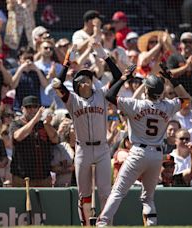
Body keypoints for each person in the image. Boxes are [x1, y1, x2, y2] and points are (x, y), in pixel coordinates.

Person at [96, 64, 191, 226]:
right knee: (148, 196)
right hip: (156, 156)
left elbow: (110, 95)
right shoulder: (167, 106)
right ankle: (152, 223)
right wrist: (172, 79)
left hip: (139, 152)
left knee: (118, 191)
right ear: (160, 92)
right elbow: (186, 99)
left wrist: (124, 78)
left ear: (146, 90)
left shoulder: (135, 105)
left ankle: (102, 223)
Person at [52, 43, 121, 225]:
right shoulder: (72, 100)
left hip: (102, 149)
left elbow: (119, 77)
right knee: (84, 194)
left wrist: (105, 57)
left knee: (106, 192)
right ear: (75, 84)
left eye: (89, 77)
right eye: (82, 78)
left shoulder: (103, 94)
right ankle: (86, 224)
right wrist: (67, 63)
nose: (86, 80)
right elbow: (57, 83)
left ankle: (106, 224)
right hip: (82, 149)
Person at [10, 96, 58, 187]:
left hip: (44, 176)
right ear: (22, 109)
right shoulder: (16, 123)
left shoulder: (43, 125)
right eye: (28, 107)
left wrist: (47, 124)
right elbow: (18, 137)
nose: (32, 109)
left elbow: (55, 139)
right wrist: (35, 119)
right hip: (23, 177)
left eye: (35, 107)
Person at [167, 32, 192, 108]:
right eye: (185, 42)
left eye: (190, 42)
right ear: (180, 44)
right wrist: (186, 66)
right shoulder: (173, 58)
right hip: (176, 100)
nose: (188, 44)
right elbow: (169, 74)